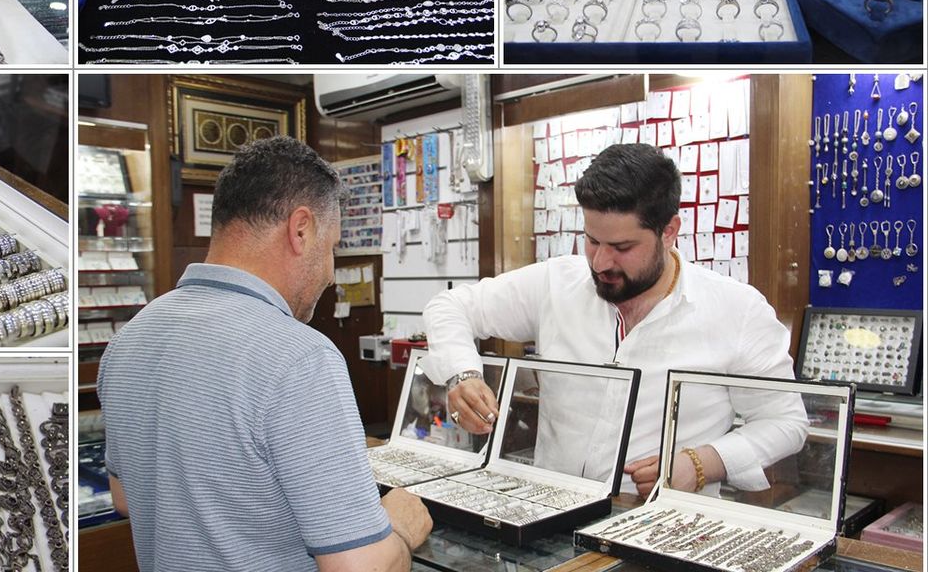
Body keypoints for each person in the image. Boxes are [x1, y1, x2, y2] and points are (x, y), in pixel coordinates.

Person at [98, 136, 433, 571]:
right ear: (301, 230)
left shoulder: (130, 337)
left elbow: (125, 497)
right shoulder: (301, 357)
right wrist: (401, 528)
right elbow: (362, 568)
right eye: (332, 247)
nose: (331, 273)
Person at [421, 143, 808, 498]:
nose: (600, 262)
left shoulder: (736, 310)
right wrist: (462, 374)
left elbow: (785, 422)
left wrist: (702, 463)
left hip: (661, 522)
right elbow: (449, 307)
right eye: (592, 240)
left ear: (669, 231)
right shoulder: (555, 283)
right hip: (549, 510)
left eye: (622, 247)